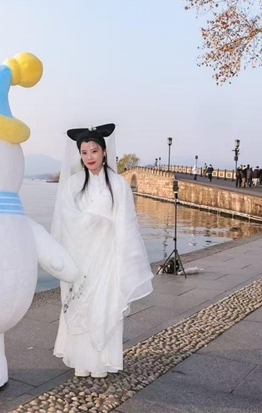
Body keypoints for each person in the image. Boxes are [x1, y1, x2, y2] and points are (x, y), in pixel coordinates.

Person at [51, 123, 153, 379]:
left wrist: (122, 255)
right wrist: (91, 223)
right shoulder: (74, 184)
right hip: (80, 255)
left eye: (94, 151)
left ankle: (101, 361)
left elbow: (126, 222)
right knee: (80, 304)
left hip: (108, 256)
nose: (89, 157)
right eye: (84, 152)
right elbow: (65, 216)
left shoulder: (118, 185)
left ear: (105, 151)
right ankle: (79, 358)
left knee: (103, 304)